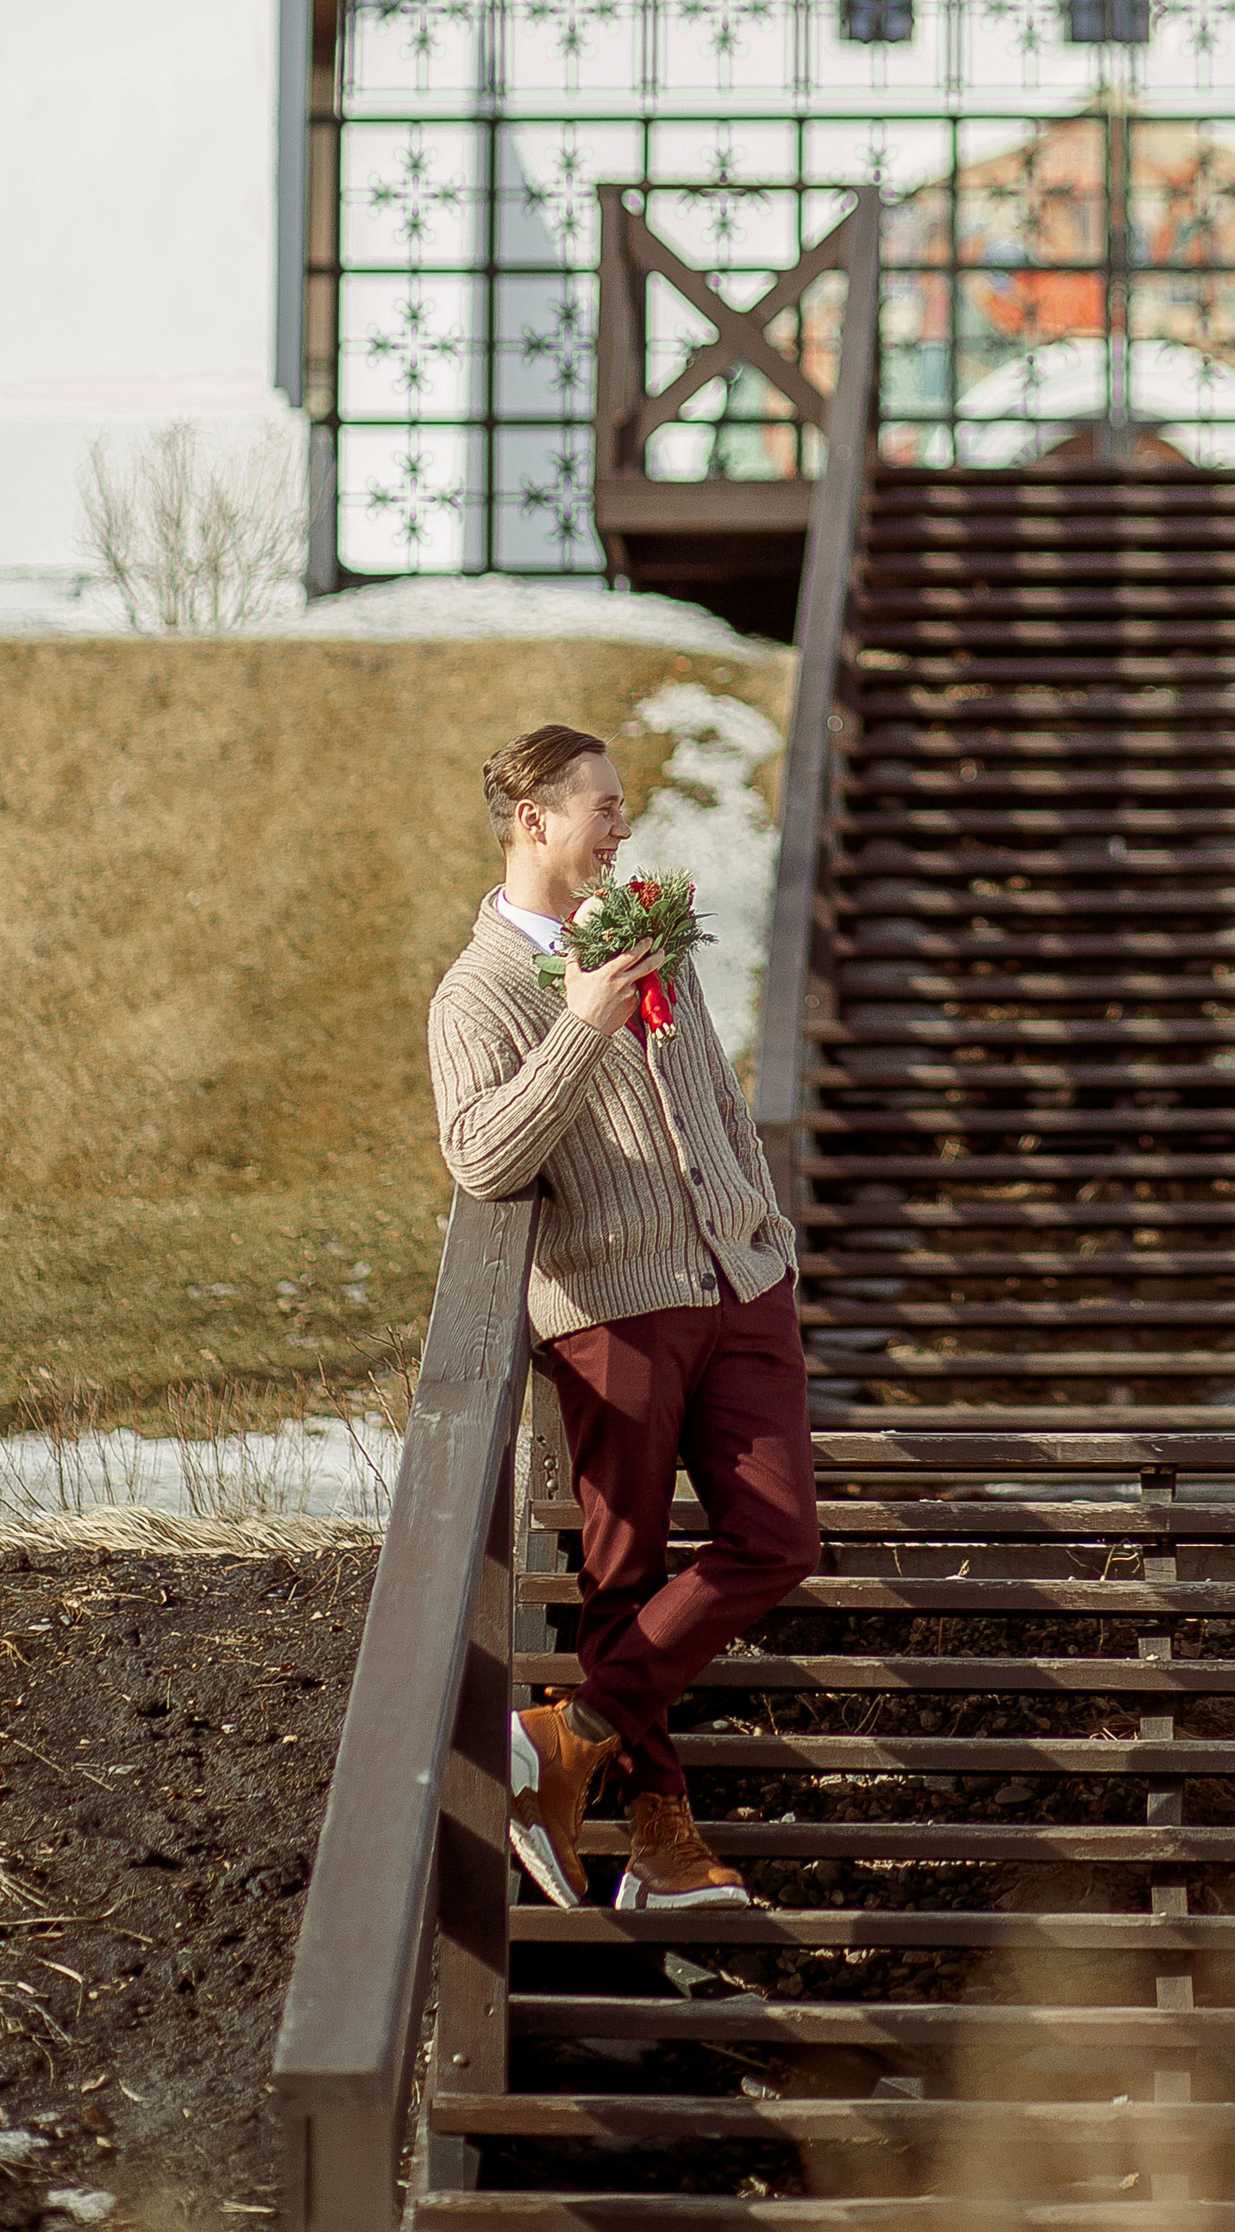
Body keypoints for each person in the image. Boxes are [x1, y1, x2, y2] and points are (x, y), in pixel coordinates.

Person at [427, 721, 819, 1915]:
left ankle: (561, 1739)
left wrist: (760, 1227)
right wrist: (583, 1019)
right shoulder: (476, 992)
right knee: (624, 1574)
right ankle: (658, 1845)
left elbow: (712, 1096)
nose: (621, 824)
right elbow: (483, 1158)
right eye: (598, 806)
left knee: (778, 1539)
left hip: (742, 1287)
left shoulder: (655, 939)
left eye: (622, 804)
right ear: (531, 821)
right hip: (612, 1312)